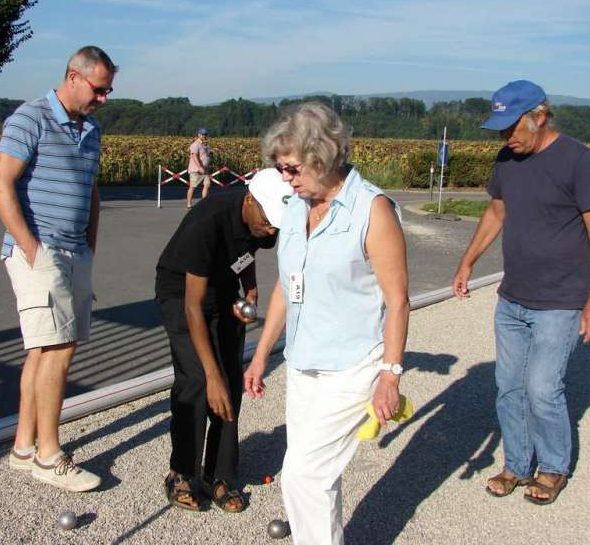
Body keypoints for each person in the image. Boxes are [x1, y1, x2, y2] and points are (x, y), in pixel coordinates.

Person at [244, 101, 410, 544]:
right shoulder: (298, 206)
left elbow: (398, 301)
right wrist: (261, 355)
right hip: (302, 363)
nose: (286, 179)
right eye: (281, 169)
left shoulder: (372, 209)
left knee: (302, 476)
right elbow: (286, 285)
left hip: (352, 364)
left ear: (323, 156)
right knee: (318, 477)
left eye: (293, 168)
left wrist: (390, 376)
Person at [452, 79, 590, 505]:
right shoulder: (508, 159)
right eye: (501, 130)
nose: (506, 138)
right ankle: (518, 465)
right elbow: (496, 211)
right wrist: (468, 261)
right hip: (513, 298)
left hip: (560, 301)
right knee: (509, 387)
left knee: (543, 388)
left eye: (512, 128)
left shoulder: (579, 161)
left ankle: (554, 467)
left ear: (539, 118)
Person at [0, 45, 118, 492]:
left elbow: (92, 192)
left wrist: (89, 249)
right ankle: (49, 455)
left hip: (74, 252)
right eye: (99, 90)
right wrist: (30, 248)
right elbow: (0, 185)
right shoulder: (30, 118)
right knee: (59, 349)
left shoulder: (92, 131)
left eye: (108, 91)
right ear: (74, 76)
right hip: (39, 251)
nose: (104, 98)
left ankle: (24, 448)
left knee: (44, 351)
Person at [155, 168, 294, 513]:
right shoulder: (209, 220)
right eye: (268, 222)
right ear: (249, 201)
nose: (272, 230)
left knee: (231, 382)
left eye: (276, 224)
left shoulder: (265, 219)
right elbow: (192, 308)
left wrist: (251, 289)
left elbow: (246, 252)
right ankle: (182, 473)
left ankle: (219, 475)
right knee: (200, 380)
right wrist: (211, 375)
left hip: (222, 290)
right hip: (181, 292)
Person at [186, 127, 211, 209]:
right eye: (203, 134)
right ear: (199, 135)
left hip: (205, 169)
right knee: (193, 186)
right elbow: (194, 156)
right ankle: (189, 204)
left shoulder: (205, 144)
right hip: (196, 170)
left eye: (205, 134)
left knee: (207, 185)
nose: (204, 136)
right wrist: (200, 167)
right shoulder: (196, 144)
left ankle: (204, 202)